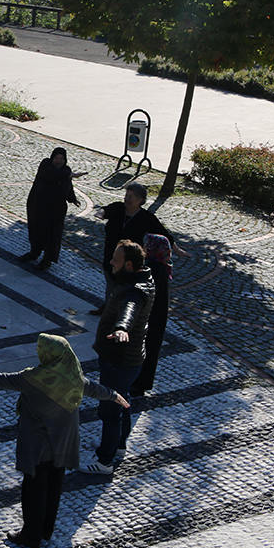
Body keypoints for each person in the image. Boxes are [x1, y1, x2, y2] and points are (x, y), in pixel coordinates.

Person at [0, 334, 127, 548]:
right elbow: (94, 389)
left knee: (34, 489)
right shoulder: (73, 377)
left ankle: (30, 536)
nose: (37, 352)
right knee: (54, 487)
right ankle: (46, 530)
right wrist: (114, 394)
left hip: (38, 446)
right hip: (62, 445)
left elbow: (1, 379)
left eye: (40, 349)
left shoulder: (33, 378)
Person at [80, 239, 155, 474]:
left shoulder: (133, 290)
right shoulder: (141, 280)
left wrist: (122, 328)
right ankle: (118, 446)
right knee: (122, 403)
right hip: (129, 359)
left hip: (119, 360)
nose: (111, 262)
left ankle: (104, 461)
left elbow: (128, 311)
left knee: (110, 411)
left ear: (130, 265)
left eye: (116, 260)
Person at [90, 182, 178, 315]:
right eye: (126, 195)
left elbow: (163, 234)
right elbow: (106, 210)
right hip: (111, 254)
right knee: (111, 282)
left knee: (125, 285)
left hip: (129, 258)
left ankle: (120, 311)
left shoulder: (145, 217)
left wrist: (177, 249)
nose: (127, 199)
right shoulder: (118, 208)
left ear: (140, 200)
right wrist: (100, 213)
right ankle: (108, 307)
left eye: (131, 197)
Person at [20, 147, 85, 270]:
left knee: (53, 234)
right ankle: (34, 253)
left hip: (57, 210)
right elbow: (53, 174)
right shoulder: (46, 165)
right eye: (56, 158)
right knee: (38, 231)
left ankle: (47, 259)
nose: (58, 161)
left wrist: (72, 198)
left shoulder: (66, 171)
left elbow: (68, 186)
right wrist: (70, 175)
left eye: (61, 159)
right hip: (40, 207)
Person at [132, 233, 172, 397]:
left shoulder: (156, 270)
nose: (144, 249)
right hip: (154, 316)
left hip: (151, 317)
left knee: (146, 349)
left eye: (147, 246)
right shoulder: (160, 266)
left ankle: (139, 384)